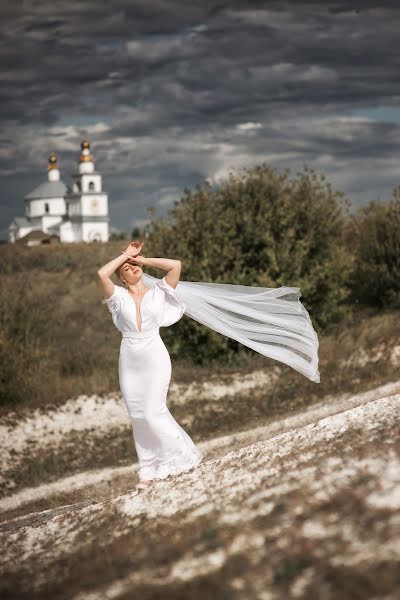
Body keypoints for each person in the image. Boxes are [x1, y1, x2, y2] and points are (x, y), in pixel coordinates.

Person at [97, 240, 203, 490]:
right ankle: (148, 470)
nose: (132, 268)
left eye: (134, 266)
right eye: (126, 269)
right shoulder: (117, 297)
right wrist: (125, 255)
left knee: (153, 411)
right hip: (129, 360)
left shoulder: (159, 292)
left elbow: (175, 266)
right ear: (122, 278)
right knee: (138, 414)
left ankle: (183, 457)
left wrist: (142, 259)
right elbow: (102, 273)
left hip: (155, 355)